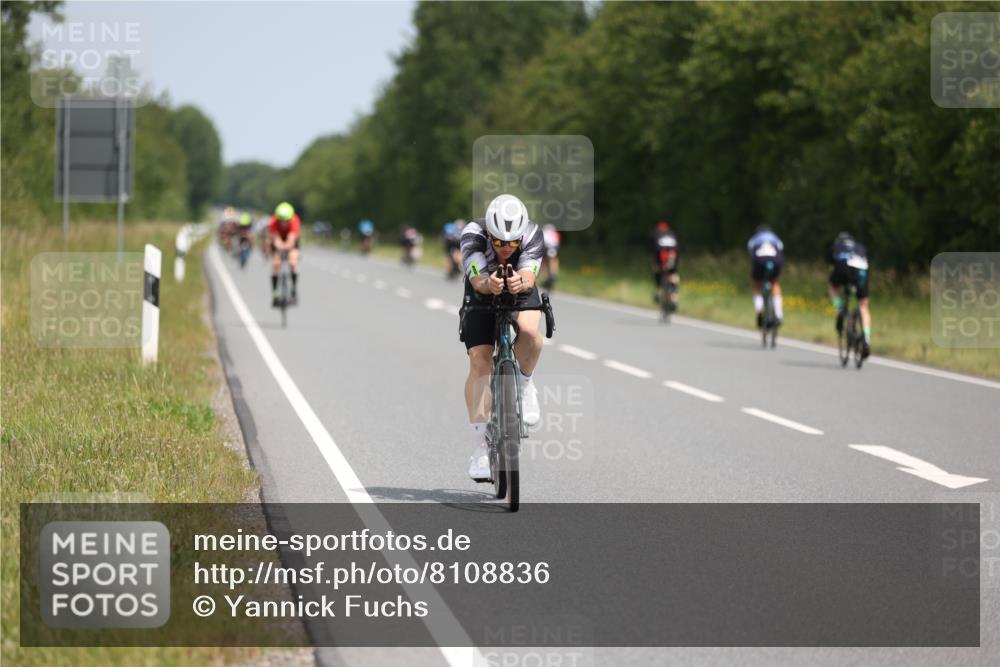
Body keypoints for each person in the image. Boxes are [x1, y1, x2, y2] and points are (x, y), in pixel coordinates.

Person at [460, 194, 544, 481]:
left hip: (519, 285)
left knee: (531, 331)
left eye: (512, 243)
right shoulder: (472, 233)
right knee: (480, 362)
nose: (505, 248)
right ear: (489, 235)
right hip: (482, 288)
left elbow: (530, 275)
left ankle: (525, 384)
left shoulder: (532, 233)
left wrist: (522, 280)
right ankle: (480, 449)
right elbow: (476, 279)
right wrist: (487, 282)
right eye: (498, 242)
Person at [828, 231, 871, 358]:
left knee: (832, 287)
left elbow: (832, 265)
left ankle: (839, 307)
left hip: (843, 267)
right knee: (863, 304)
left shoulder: (836, 246)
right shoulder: (860, 246)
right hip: (862, 269)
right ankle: (867, 338)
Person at [747, 225, 784, 328]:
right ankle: (778, 313)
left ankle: (759, 309)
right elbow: (781, 252)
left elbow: (751, 255)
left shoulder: (754, 239)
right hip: (775, 261)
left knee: (756, 284)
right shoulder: (776, 238)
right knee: (775, 283)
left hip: (760, 261)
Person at [268, 202, 302, 306]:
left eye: (286, 221)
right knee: (276, 264)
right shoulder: (273, 222)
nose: (283, 223)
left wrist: (286, 247)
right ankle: (275, 293)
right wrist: (279, 246)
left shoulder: (295, 221)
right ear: (277, 218)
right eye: (281, 221)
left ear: (290, 219)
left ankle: (293, 290)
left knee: (293, 262)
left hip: (290, 241)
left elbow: (291, 239)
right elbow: (275, 238)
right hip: (278, 240)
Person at [650, 221, 679, 309]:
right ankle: (674, 299)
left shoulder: (655, 233)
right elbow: (678, 247)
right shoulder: (672, 233)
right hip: (673, 253)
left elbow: (652, 248)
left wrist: (656, 263)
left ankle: (658, 291)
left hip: (660, 253)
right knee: (673, 274)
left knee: (657, 270)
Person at [541, 223, 561, 292]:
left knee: (544, 261)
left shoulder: (543, 232)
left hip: (545, 246)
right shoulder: (555, 234)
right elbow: (558, 243)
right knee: (554, 259)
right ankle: (554, 272)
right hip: (554, 247)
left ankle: (544, 277)